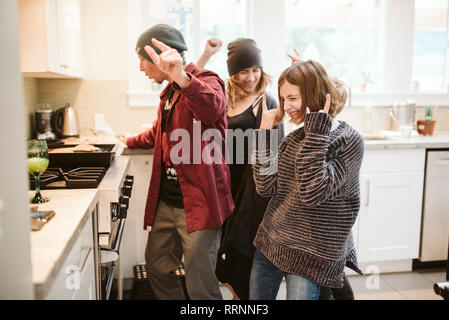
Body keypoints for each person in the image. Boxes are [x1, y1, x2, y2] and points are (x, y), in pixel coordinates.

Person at [121, 24, 234, 300]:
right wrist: (129, 140)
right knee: (157, 267)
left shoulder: (206, 80)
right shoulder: (169, 92)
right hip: (167, 201)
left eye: (142, 61)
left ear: (160, 57)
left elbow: (214, 107)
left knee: (200, 284)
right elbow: (158, 132)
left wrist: (182, 77)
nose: (140, 68)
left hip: (200, 203)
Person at [249, 60, 364, 300]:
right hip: (272, 240)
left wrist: (316, 132)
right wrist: (263, 132)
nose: (285, 106)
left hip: (312, 253)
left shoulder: (349, 141)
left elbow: (314, 193)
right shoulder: (293, 139)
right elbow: (265, 187)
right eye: (282, 99)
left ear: (313, 95)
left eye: (292, 98)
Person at [196, 38, 284, 300]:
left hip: (252, 189)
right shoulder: (223, 95)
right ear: (233, 73)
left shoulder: (266, 101)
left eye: (255, 70)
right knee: (226, 255)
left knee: (243, 254)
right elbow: (193, 88)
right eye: (244, 71)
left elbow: (273, 153)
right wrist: (205, 56)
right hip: (224, 185)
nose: (251, 77)